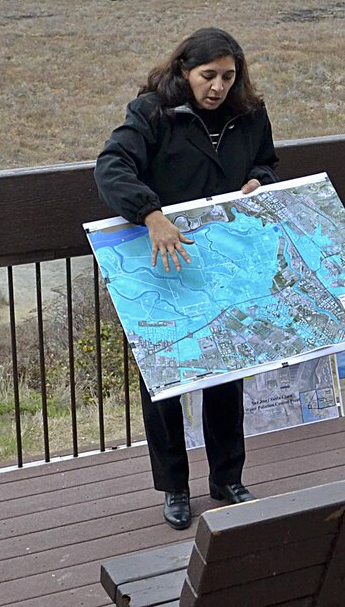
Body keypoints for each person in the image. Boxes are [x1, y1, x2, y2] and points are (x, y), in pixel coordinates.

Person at [94, 27, 278, 530]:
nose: (218, 87)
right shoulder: (151, 114)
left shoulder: (250, 113)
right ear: (183, 72)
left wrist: (261, 181)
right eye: (207, 76)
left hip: (223, 264)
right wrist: (150, 214)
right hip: (165, 264)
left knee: (226, 372)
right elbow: (111, 168)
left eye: (227, 76)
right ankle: (175, 488)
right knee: (165, 384)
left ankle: (226, 478)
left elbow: (268, 162)